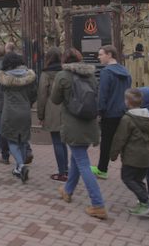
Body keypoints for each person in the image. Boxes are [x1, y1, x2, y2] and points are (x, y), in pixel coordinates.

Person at [51, 48, 107, 220]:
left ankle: (98, 204)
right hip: (89, 124)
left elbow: (55, 99)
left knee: (82, 162)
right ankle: (67, 191)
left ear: (65, 60)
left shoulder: (63, 76)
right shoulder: (90, 75)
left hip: (72, 124)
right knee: (76, 159)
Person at [109, 88, 149, 217]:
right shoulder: (148, 116)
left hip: (132, 156)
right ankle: (144, 205)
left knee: (127, 178)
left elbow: (120, 138)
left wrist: (113, 154)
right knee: (138, 180)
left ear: (127, 102)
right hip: (146, 155)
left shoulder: (127, 119)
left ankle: (147, 202)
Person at [92, 45, 131, 180]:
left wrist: (100, 111)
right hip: (123, 112)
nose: (99, 57)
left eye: (101, 54)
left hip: (109, 112)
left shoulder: (106, 72)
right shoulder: (126, 72)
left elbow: (102, 94)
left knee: (106, 142)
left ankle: (102, 169)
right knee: (125, 141)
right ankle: (129, 170)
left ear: (109, 55)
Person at [0, 52, 37, 183]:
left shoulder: (4, 78)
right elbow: (34, 94)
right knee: (23, 140)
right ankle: (19, 167)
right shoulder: (29, 77)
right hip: (25, 110)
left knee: (11, 140)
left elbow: (0, 91)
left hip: (9, 112)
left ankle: (21, 165)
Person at [38, 47, 68, 181]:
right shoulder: (65, 72)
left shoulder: (45, 74)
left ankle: (62, 172)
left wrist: (40, 115)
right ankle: (66, 169)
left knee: (56, 141)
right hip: (66, 109)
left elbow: (42, 96)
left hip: (52, 110)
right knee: (63, 142)